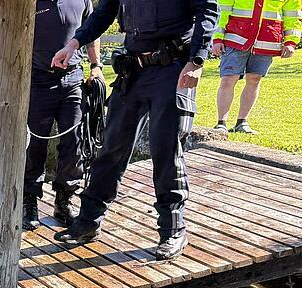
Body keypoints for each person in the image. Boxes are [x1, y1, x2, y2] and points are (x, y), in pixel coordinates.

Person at [52, 0, 219, 261]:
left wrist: (197, 60)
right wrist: (73, 44)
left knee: (165, 149)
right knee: (111, 148)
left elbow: (207, 11)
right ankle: (88, 221)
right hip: (134, 70)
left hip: (172, 68)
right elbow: (104, 12)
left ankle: (172, 229)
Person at [22, 0, 104, 231]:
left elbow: (92, 29)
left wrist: (95, 65)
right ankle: (29, 201)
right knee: (34, 143)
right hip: (38, 79)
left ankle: (64, 199)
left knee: (75, 141)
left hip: (73, 79)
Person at [212, 0, 302, 134]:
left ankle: (241, 122)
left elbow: (293, 16)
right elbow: (222, 9)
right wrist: (217, 38)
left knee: (254, 79)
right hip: (235, 36)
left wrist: (291, 41)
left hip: (266, 39)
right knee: (228, 79)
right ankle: (221, 123)